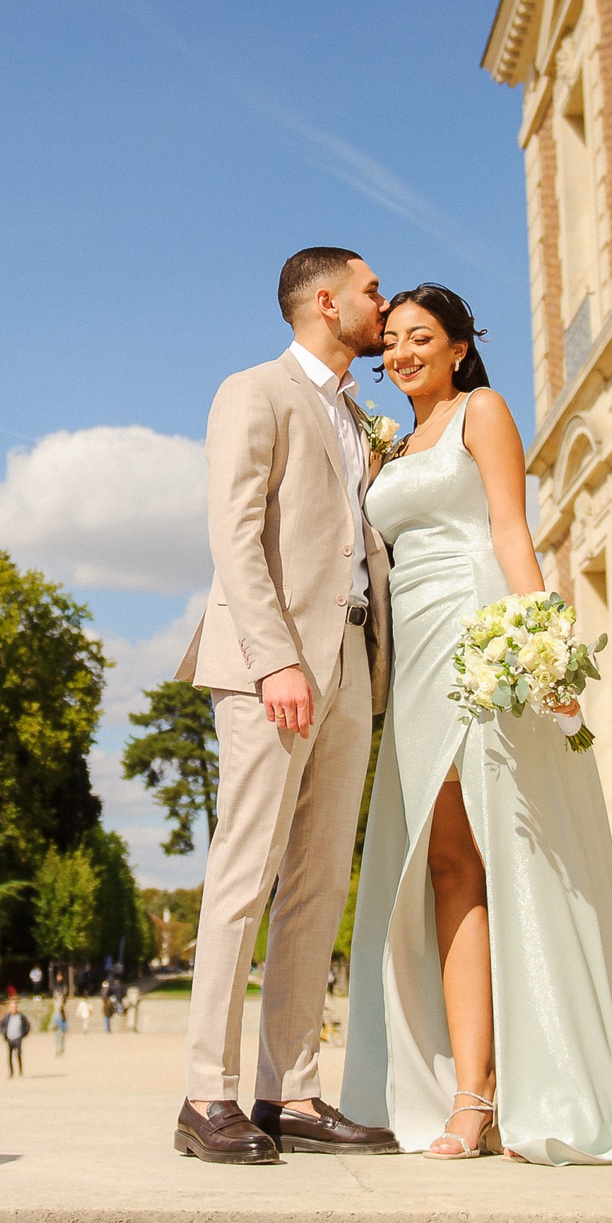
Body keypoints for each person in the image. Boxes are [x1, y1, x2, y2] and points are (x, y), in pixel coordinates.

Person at [341, 284, 612, 1165]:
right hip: (415, 656)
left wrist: (547, 651)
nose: (402, 353)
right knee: (445, 867)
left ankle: (541, 1084)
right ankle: (471, 1095)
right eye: (392, 341)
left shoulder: (484, 411)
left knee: (513, 852)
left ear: (457, 347)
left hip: (481, 631)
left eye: (421, 338)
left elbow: (514, 534)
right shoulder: (392, 447)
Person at [173, 247, 401, 1164]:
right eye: (372, 290)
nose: (382, 303)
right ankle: (205, 1095)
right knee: (245, 873)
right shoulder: (253, 391)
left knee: (315, 882)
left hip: (349, 658)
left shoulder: (354, 414)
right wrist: (275, 661)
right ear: (323, 300)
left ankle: (292, 1091)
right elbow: (233, 531)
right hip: (274, 666)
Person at [0, 994, 30, 1078]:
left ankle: (20, 1071)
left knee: (18, 1055)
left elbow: (27, 1025)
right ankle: (11, 1072)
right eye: (11, 1007)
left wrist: (23, 1034)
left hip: (18, 1038)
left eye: (14, 1007)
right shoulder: (7, 1017)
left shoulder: (21, 1016)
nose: (13, 1009)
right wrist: (4, 1033)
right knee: (9, 1057)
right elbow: (1, 1025)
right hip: (9, 1038)